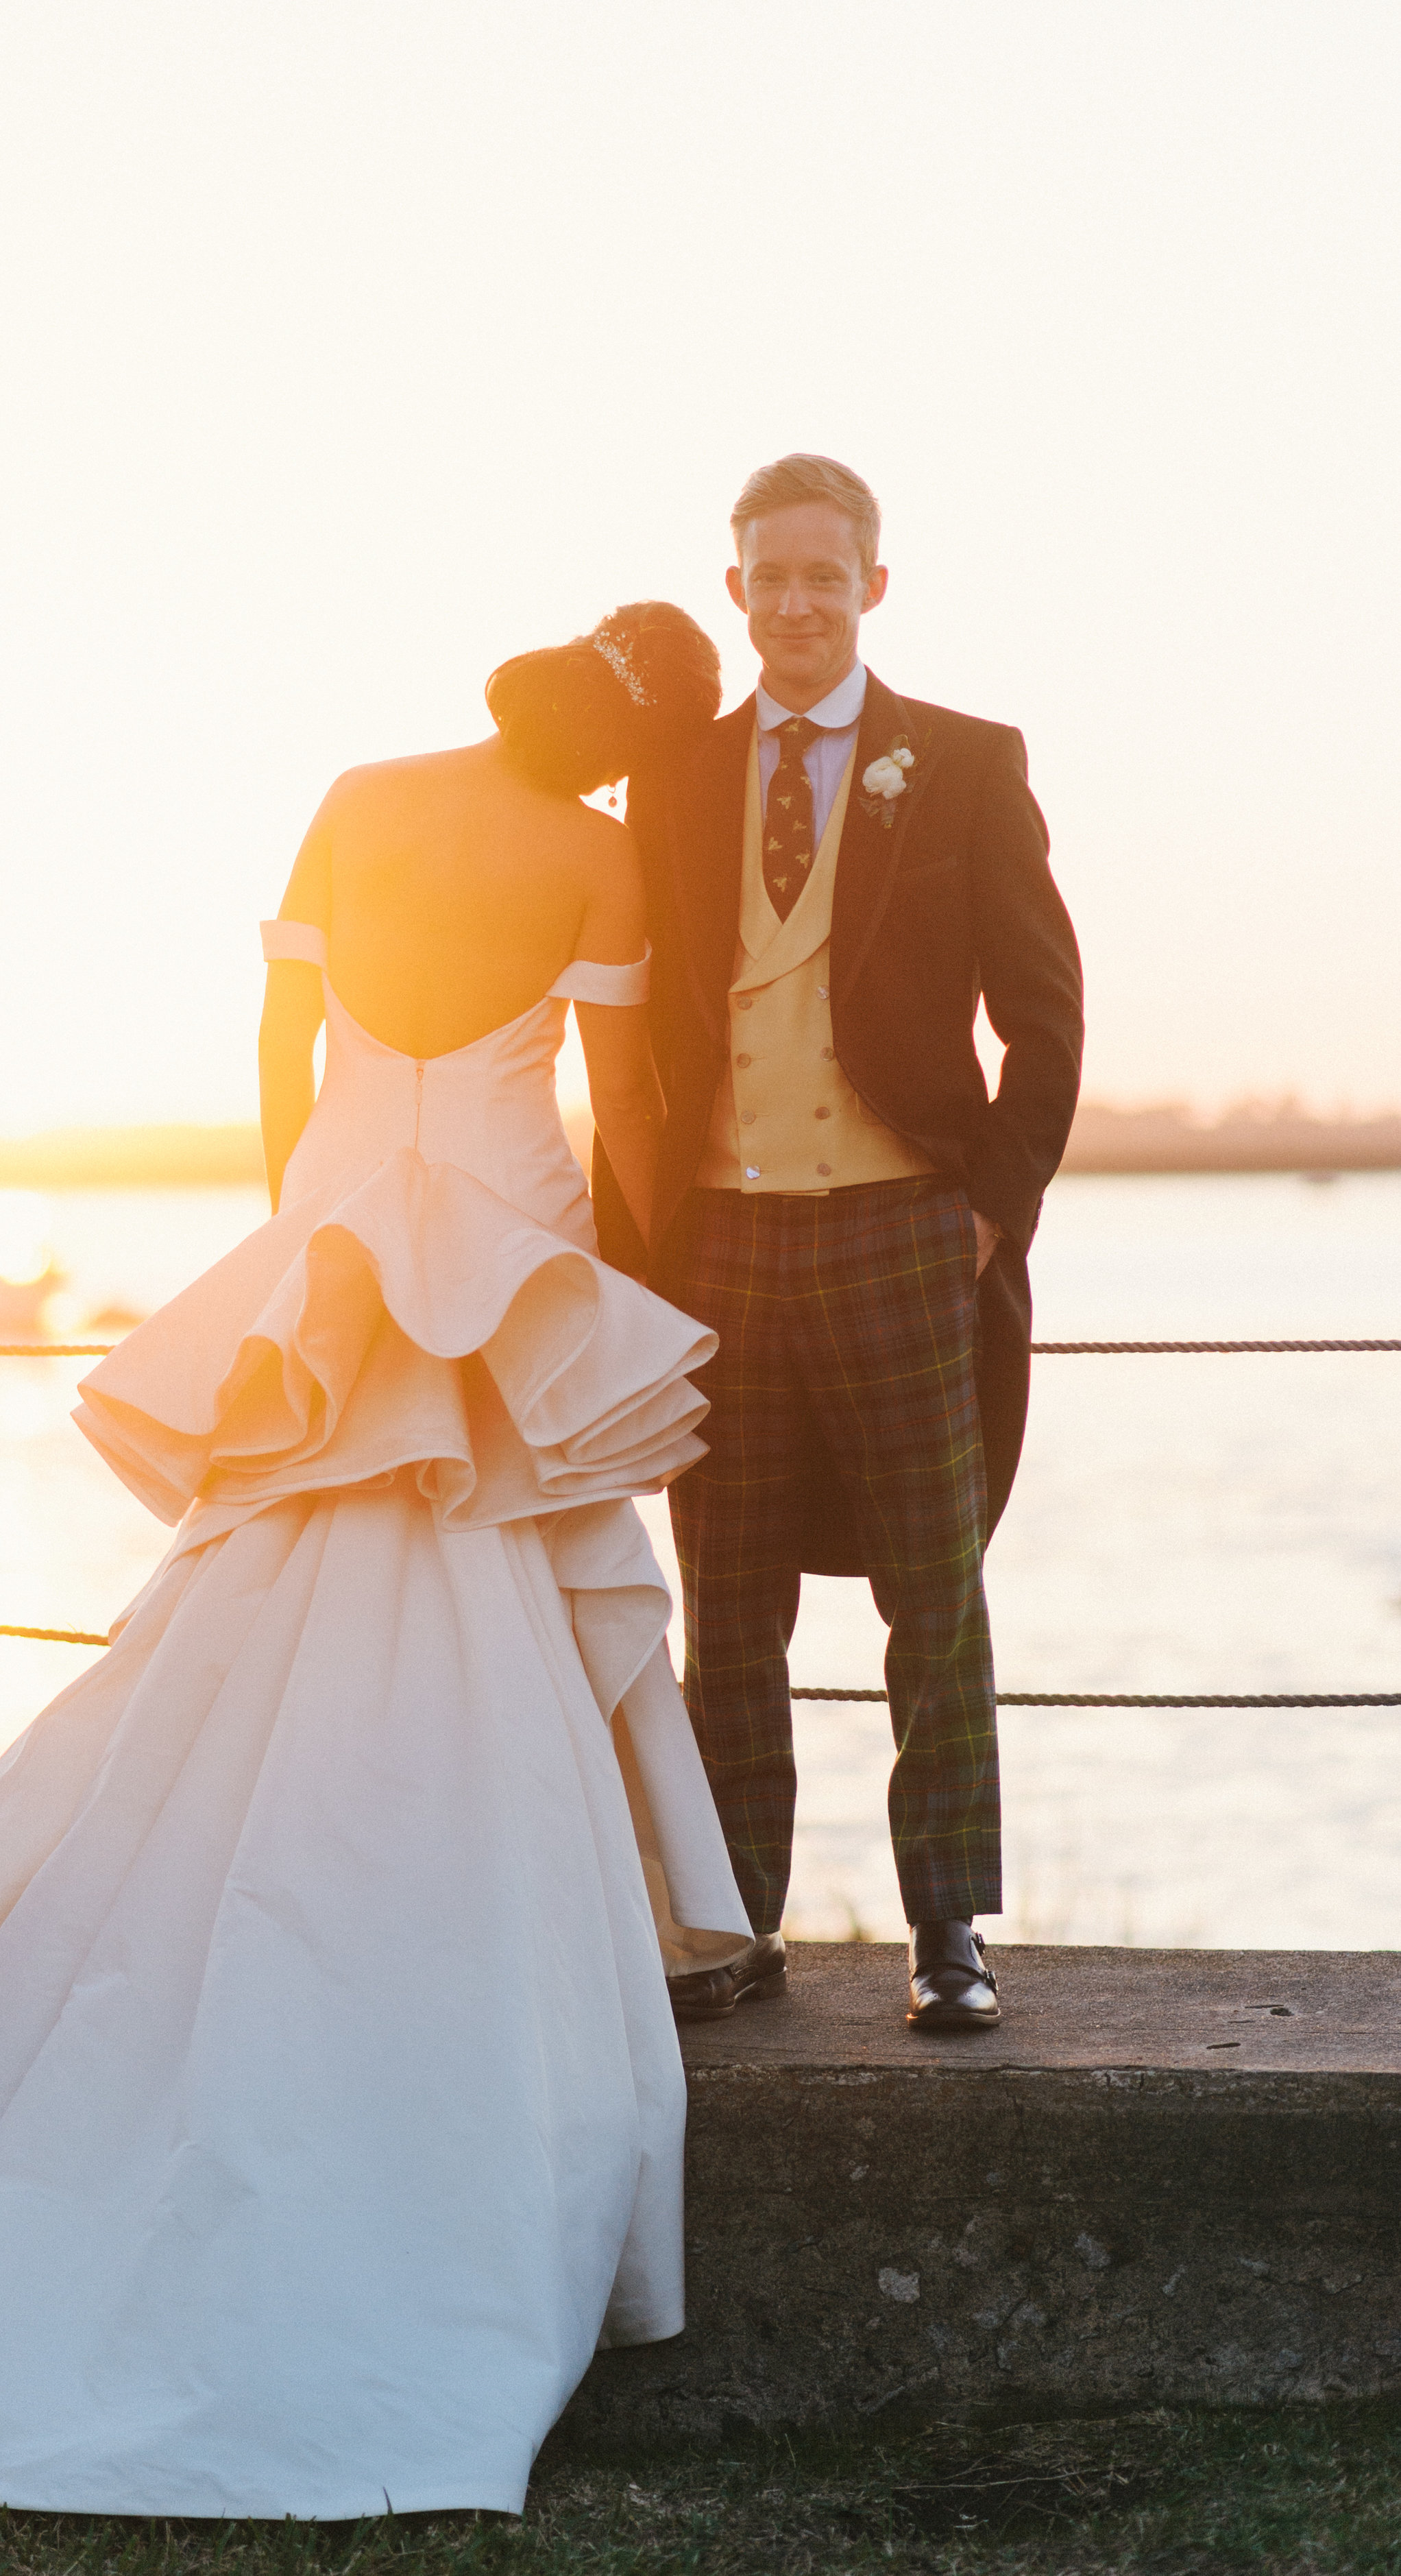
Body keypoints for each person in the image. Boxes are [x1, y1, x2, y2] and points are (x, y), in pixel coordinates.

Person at [0, 603, 751, 2518]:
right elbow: (628, 1097)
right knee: (497, 1573)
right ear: (626, 744)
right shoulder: (594, 844)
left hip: (336, 1216)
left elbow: (282, 1033)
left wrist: (308, 1223)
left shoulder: (353, 794)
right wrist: (615, 1284)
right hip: (502, 1230)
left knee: (238, 1605)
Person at [596, 455, 1083, 2032]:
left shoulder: (960, 762)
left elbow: (1046, 1016)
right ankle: (734, 1927)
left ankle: (949, 1930)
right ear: (731, 589)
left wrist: (988, 1210)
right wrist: (641, 1252)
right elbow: (636, 1037)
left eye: (825, 575)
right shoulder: (667, 780)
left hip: (900, 1229)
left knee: (932, 1596)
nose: (794, 603)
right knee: (725, 1605)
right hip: (720, 1239)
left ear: (872, 585)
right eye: (767, 576)